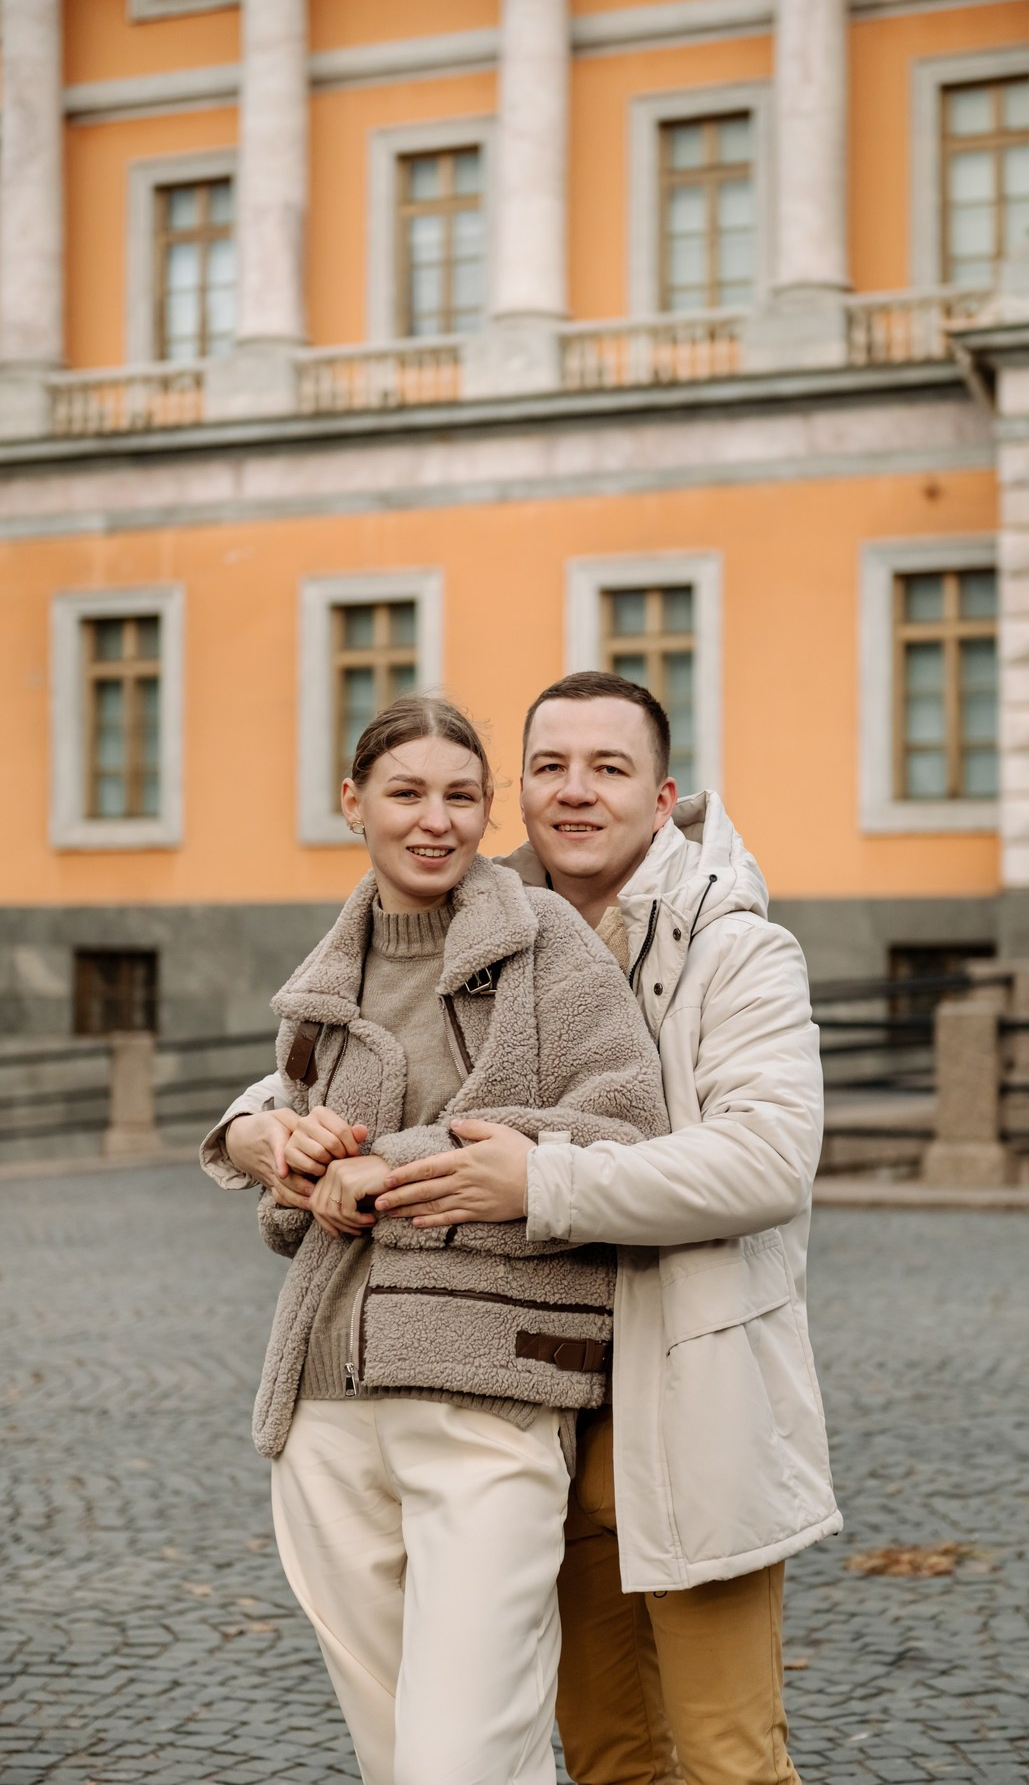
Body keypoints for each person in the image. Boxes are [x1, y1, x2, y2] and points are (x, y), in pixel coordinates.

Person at [373, 672, 840, 1785]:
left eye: (608, 767)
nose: (574, 792)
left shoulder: (735, 947)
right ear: (517, 792)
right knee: (605, 1756)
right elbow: (340, 1053)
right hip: (538, 1414)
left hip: (693, 1402)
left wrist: (545, 1182)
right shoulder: (481, 932)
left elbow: (767, 1157)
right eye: (549, 767)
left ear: (664, 792)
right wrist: (249, 1128)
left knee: (729, 1760)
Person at [200, 694, 668, 1785]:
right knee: (394, 1756)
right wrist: (292, 1157)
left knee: (460, 1758)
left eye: (462, 796)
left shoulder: (544, 940)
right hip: (324, 1404)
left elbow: (625, 1123)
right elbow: (293, 1186)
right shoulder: (326, 981)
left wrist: (390, 1162)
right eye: (406, 793)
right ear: (352, 803)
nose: (436, 821)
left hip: (488, 1395)